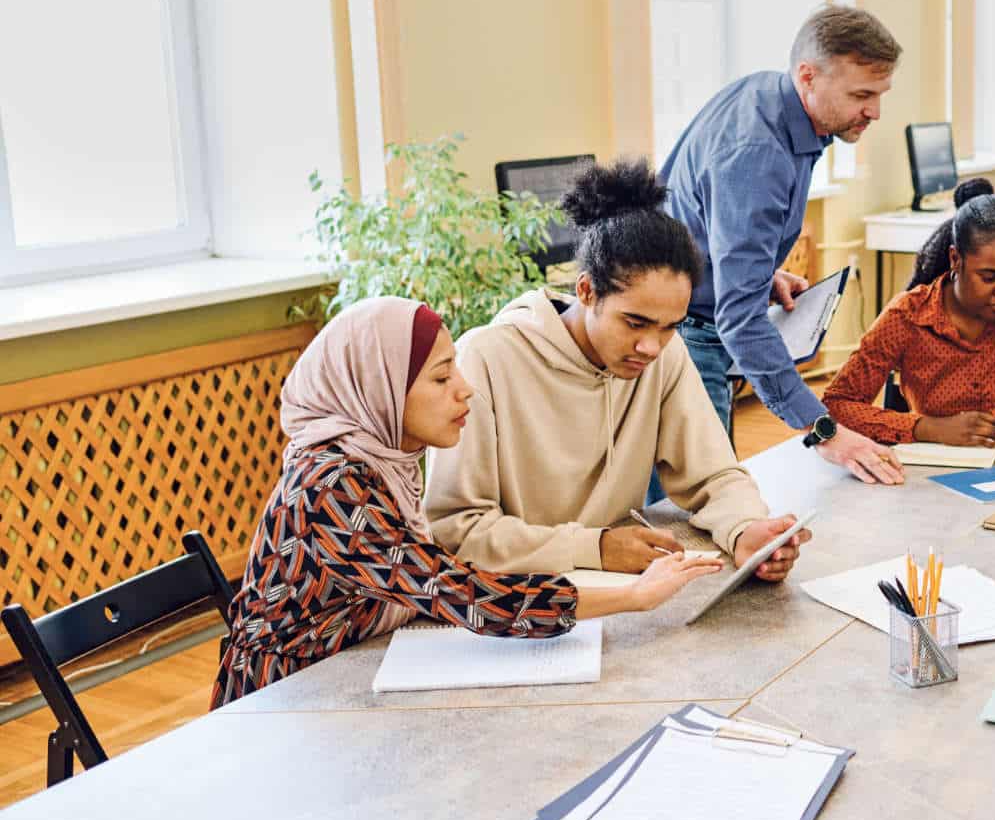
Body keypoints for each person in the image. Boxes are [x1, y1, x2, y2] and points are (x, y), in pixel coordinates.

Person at [214, 298, 720, 708]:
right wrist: (635, 597)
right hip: (284, 705)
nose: (465, 390)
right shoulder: (331, 489)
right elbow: (468, 596)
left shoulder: (378, 453)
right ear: (380, 389)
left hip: (354, 671)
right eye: (440, 378)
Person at [423, 159, 811, 579]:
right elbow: (456, 532)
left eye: (669, 327)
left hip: (617, 590)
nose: (651, 346)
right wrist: (595, 547)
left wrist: (745, 529)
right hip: (515, 601)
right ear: (587, 291)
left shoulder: (664, 354)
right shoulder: (484, 360)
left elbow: (714, 475)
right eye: (634, 322)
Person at [659, 3, 906, 486]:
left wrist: (756, 273)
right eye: (862, 94)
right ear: (808, 76)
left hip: (690, 306)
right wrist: (826, 434)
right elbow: (740, 318)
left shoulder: (772, 96)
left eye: (880, 94)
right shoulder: (758, 153)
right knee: (697, 500)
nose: (874, 111)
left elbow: (703, 212)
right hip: (682, 333)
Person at [821, 179, 995, 446]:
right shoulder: (907, 316)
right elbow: (837, 405)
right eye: (989, 277)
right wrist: (929, 428)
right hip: (929, 472)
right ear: (955, 259)